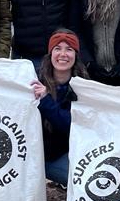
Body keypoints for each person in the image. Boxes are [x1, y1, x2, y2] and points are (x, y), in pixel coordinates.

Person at [30, 29, 89, 186]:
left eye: (69, 49)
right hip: (29, 155)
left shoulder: (84, 87)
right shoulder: (33, 80)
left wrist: (45, 100)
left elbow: (71, 125)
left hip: (60, 155)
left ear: (76, 55)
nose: (63, 54)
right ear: (50, 54)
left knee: (82, 182)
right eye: (58, 48)